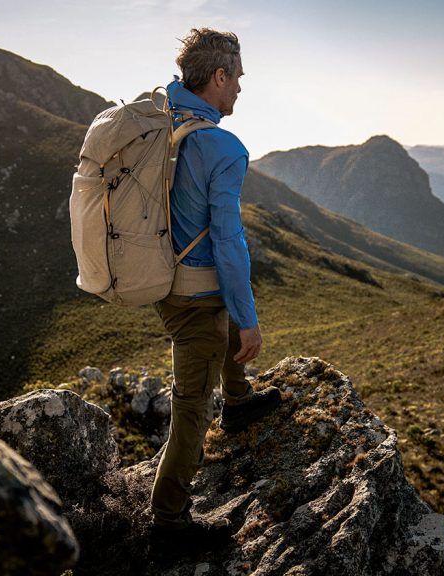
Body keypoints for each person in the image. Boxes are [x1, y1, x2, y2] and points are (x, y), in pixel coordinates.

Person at [149, 28, 282, 554]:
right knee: (189, 407)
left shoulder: (162, 118)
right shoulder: (221, 145)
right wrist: (249, 320)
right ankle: (169, 524)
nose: (241, 89)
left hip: (165, 278)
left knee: (219, 319)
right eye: (238, 78)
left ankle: (241, 400)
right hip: (193, 293)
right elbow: (227, 238)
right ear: (219, 76)